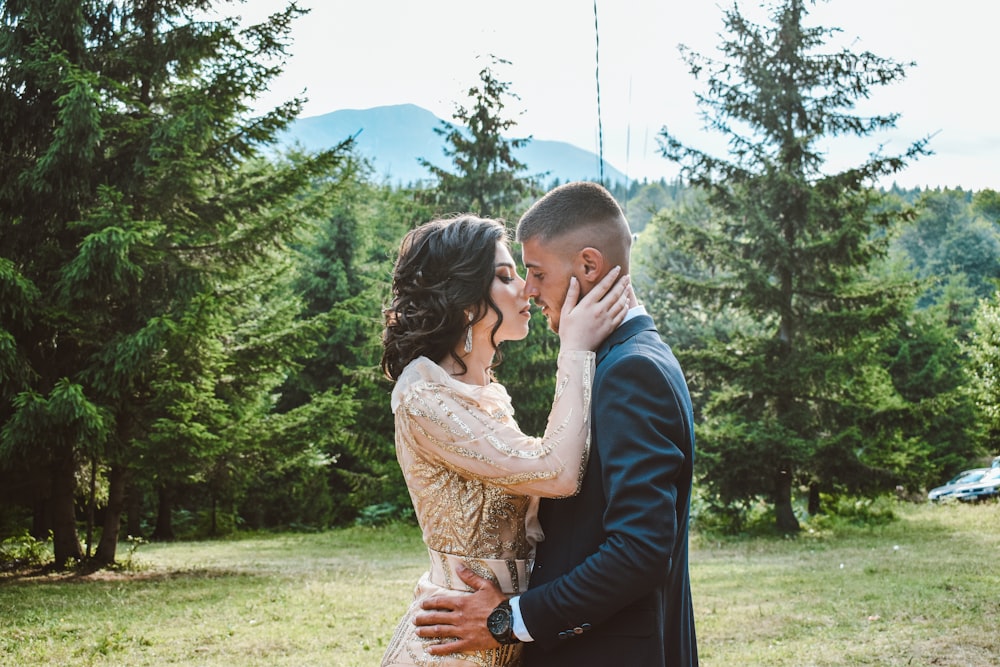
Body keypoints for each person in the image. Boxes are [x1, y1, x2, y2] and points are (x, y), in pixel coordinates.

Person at [412, 182, 699, 667]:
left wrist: (509, 619)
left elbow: (641, 549)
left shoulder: (632, 370)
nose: (528, 289)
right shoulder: (615, 360)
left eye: (537, 272)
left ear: (588, 266)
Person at [379, 214, 631, 667]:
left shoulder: (486, 394)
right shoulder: (423, 396)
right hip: (453, 646)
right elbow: (553, 473)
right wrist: (574, 350)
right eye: (504, 276)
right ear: (463, 301)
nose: (525, 290)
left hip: (503, 637)